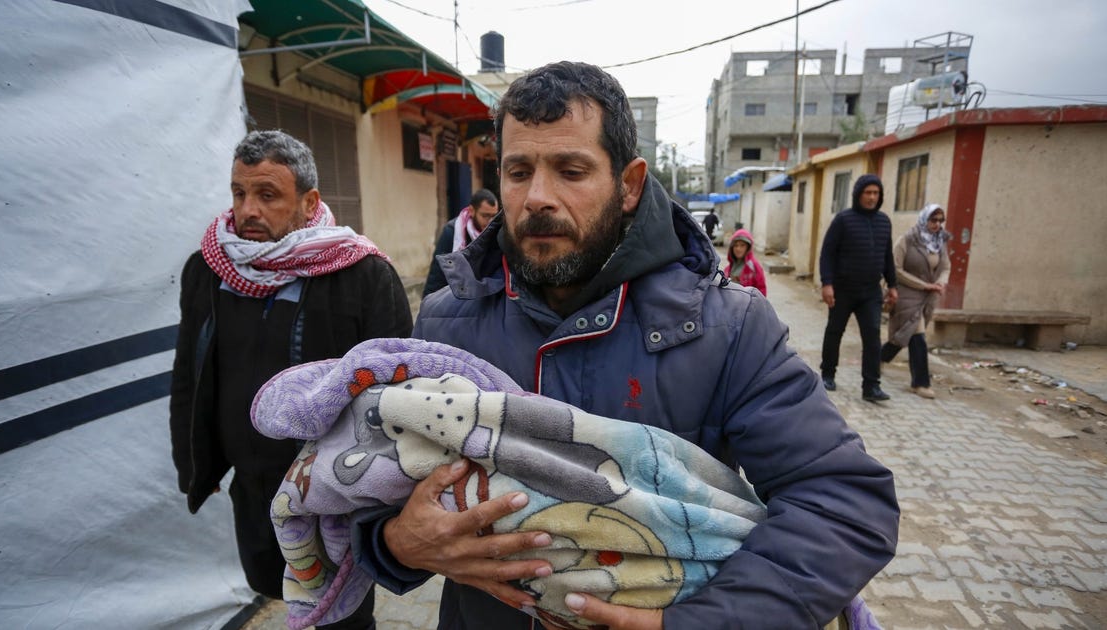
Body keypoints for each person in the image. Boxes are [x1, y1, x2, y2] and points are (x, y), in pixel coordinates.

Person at [355, 61, 898, 630]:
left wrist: (691, 625)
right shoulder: (445, 323)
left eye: (571, 171)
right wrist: (395, 542)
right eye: (519, 171)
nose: (537, 197)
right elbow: (370, 482)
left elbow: (844, 504)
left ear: (630, 185)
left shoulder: (728, 327)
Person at [169, 129, 412, 629]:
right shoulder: (208, 270)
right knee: (273, 586)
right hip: (251, 488)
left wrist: (390, 494)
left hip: (333, 494)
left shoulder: (363, 275)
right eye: (239, 193)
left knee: (341, 613)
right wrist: (193, 463)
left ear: (309, 202)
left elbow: (397, 398)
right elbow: (190, 373)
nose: (248, 210)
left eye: (267, 195)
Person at [818, 174, 898, 402]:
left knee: (872, 336)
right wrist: (827, 283)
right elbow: (827, 253)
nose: (872, 197)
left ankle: (871, 386)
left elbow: (887, 256)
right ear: (858, 195)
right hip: (843, 289)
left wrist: (893, 285)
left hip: (871, 291)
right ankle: (828, 374)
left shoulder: (884, 222)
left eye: (876, 193)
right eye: (868, 193)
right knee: (835, 331)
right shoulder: (843, 220)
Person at [881, 203, 951, 399]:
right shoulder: (907, 240)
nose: (937, 224)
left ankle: (878, 357)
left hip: (928, 297)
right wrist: (923, 285)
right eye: (933, 220)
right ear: (924, 219)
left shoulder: (940, 242)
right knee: (918, 335)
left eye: (940, 221)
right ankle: (921, 383)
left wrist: (940, 283)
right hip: (906, 294)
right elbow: (895, 269)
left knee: (905, 333)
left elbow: (946, 266)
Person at [422, 188, 499, 297]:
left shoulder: (497, 234)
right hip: (454, 297)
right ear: (472, 211)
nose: (490, 221)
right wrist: (429, 302)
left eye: (494, 216)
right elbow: (437, 275)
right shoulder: (452, 232)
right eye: (485, 216)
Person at [723, 228, 768, 296]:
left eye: (742, 245)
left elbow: (761, 290)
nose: (738, 249)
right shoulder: (728, 268)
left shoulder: (754, 267)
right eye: (736, 245)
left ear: (748, 247)